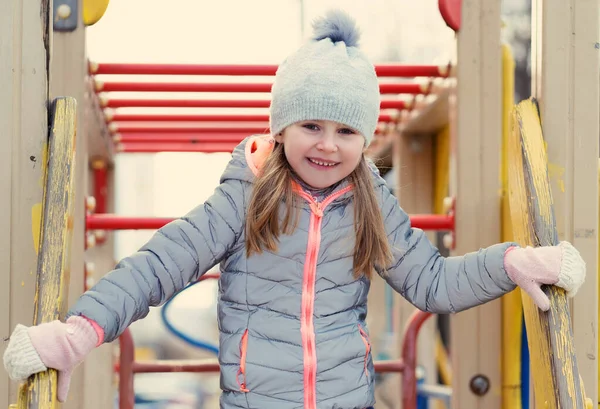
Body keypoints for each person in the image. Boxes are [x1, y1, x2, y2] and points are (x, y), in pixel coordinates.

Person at [3, 9, 586, 409]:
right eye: (311, 125)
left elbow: (433, 281)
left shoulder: (371, 204)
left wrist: (512, 262)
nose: (327, 145)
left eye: (346, 130)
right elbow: (160, 264)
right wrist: (81, 330)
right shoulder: (245, 196)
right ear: (281, 128)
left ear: (364, 139)